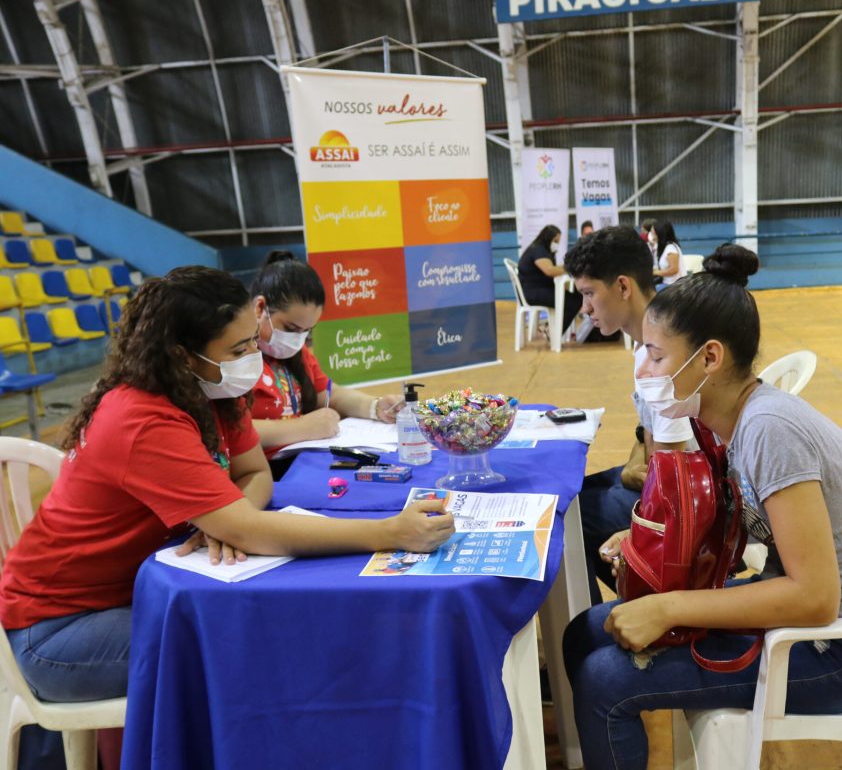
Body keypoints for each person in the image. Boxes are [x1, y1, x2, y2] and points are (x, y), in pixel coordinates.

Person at [0, 266, 454, 770]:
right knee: (255, 650)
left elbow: (256, 473)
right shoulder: (142, 417)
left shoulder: (212, 390)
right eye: (237, 350)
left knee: (270, 633)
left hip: (129, 595)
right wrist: (390, 533)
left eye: (250, 344)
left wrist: (219, 518)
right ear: (180, 354)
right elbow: (251, 527)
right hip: (58, 633)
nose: (251, 361)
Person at [561, 244, 842, 770]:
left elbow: (816, 599)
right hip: (797, 619)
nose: (647, 370)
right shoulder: (725, 422)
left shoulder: (770, 430)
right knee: (585, 632)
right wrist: (640, 542)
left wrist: (670, 607)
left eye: (656, 355)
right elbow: (735, 535)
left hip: (841, 651)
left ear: (711, 358)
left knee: (606, 680)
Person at [563, 226, 695, 603]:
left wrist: (642, 470)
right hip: (662, 475)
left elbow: (674, 471)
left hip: (688, 500)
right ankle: (635, 594)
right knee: (571, 495)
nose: (585, 309)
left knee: (567, 517)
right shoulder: (645, 343)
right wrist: (634, 463)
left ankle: (647, 594)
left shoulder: (664, 353)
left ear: (623, 287)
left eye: (589, 294)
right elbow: (647, 432)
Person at [249, 251, 403, 463]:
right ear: (259, 308)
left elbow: (330, 395)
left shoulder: (296, 353)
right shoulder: (235, 358)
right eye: (291, 327)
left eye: (307, 331)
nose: (297, 339)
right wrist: (301, 428)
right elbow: (230, 431)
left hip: (301, 461)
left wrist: (375, 407)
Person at [517, 224, 583, 334]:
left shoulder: (541, 250)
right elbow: (549, 271)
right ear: (547, 238)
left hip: (538, 290)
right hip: (533, 293)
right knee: (574, 303)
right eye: (555, 241)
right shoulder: (538, 250)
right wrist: (570, 268)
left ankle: (551, 329)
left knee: (577, 297)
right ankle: (553, 333)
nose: (556, 244)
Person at [650, 219, 683, 285]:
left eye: (653, 234)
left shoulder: (671, 248)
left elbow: (674, 270)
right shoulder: (664, 247)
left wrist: (655, 272)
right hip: (667, 284)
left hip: (674, 285)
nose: (652, 237)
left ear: (660, 234)